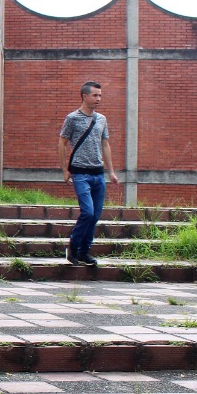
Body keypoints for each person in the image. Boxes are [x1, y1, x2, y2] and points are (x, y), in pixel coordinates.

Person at [58, 81, 119, 266]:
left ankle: (84, 253)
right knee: (88, 212)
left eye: (100, 95)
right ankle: (73, 248)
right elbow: (61, 143)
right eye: (95, 95)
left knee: (95, 215)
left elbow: (105, 144)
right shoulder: (72, 118)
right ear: (85, 96)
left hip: (98, 173)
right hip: (80, 173)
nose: (98, 99)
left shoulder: (101, 119)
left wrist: (111, 172)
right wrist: (64, 170)